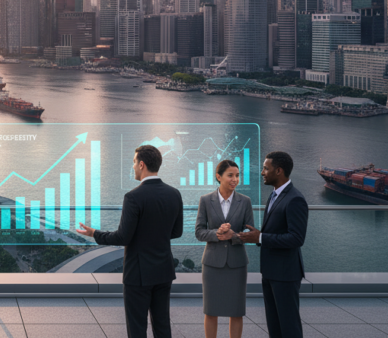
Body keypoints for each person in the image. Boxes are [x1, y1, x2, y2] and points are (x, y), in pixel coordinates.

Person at [77, 144, 183, 338]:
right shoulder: (174, 194)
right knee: (162, 326)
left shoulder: (133, 197)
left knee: (137, 328)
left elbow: (123, 237)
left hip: (138, 274)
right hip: (164, 270)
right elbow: (177, 232)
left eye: (134, 162)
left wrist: (95, 233)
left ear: (142, 164)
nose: (132, 166)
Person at [238, 151, 308, 338]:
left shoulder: (295, 199)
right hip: (271, 272)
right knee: (275, 325)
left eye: (266, 168)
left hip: (285, 274)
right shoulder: (275, 195)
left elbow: (296, 238)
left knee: (289, 326)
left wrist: (260, 238)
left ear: (279, 171)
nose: (262, 172)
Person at [195, 160, 255, 338]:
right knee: (211, 311)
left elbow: (250, 233)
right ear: (218, 176)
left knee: (236, 311)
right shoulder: (206, 200)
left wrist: (233, 236)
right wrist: (217, 234)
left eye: (237, 175)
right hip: (212, 263)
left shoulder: (245, 201)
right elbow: (199, 232)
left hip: (237, 264)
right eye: (230, 175)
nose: (235, 179)